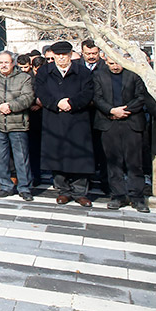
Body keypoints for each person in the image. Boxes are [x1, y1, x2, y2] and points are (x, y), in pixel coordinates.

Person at [36, 41, 95, 207]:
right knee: (57, 155)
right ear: (53, 56)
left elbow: (88, 92)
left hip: (77, 118)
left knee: (79, 156)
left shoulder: (82, 72)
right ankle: (63, 191)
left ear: (70, 55)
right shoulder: (44, 72)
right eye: (58, 56)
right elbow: (41, 91)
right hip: (54, 118)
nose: (61, 59)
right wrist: (56, 103)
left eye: (65, 55)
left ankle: (79, 192)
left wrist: (72, 103)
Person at [94, 54, 150, 212]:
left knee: (134, 162)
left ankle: (137, 197)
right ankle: (118, 195)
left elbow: (141, 97)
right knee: (113, 162)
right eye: (111, 63)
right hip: (109, 122)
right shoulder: (99, 75)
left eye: (117, 63)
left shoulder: (134, 74)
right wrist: (111, 110)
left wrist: (124, 111)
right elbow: (97, 98)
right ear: (106, 62)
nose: (114, 66)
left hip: (131, 122)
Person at [0, 50, 36, 201]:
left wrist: (10, 106)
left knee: (21, 157)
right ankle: (5, 186)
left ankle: (24, 187)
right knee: (1, 157)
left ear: (13, 63)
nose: (3, 65)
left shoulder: (24, 78)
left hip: (17, 123)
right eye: (1, 62)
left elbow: (28, 97)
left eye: (6, 62)